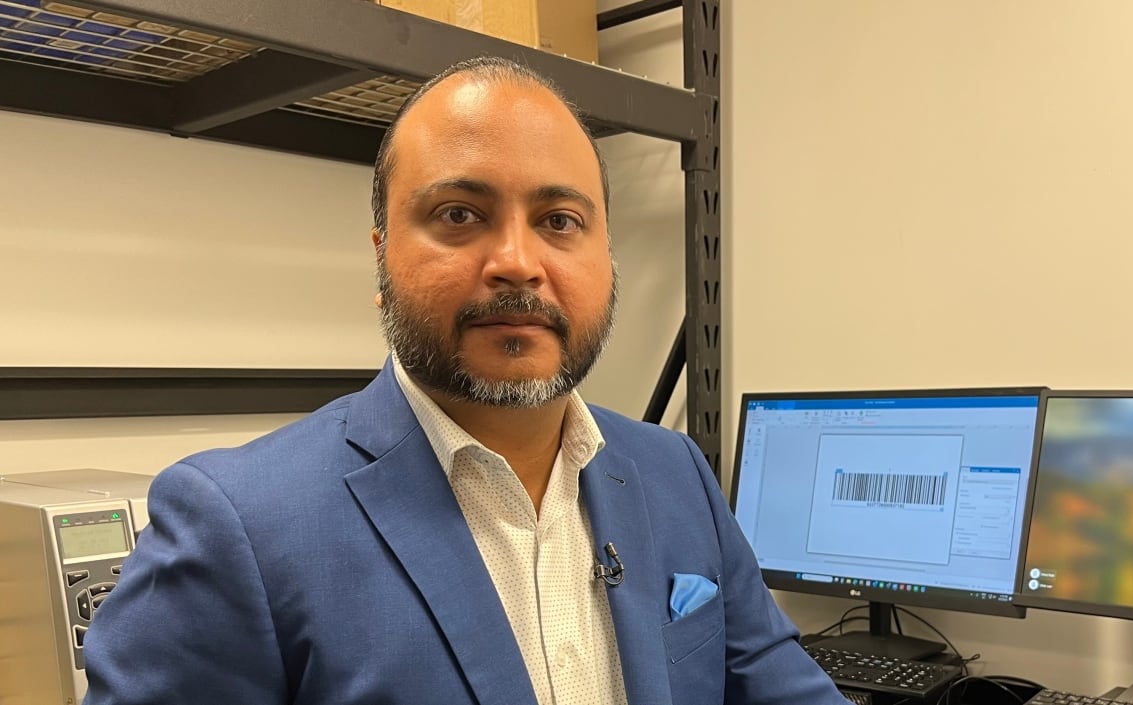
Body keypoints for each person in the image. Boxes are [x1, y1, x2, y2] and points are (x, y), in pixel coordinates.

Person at [82, 56, 847, 705]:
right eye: (458, 213)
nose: (517, 260)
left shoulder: (675, 474)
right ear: (382, 259)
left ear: (608, 260)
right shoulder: (237, 527)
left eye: (559, 221)